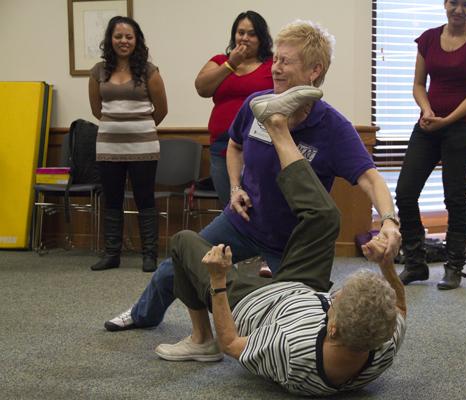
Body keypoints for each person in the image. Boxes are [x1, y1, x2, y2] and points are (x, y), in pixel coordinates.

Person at [104, 20, 400, 332]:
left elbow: (370, 178)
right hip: (243, 220)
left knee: (296, 321)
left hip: (291, 242)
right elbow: (233, 146)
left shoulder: (333, 128)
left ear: (314, 70)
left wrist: (389, 221)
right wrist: (234, 188)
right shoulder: (256, 104)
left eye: (286, 62)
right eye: (276, 60)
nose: (275, 68)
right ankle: (142, 314)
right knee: (177, 264)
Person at [154, 92, 407, 396]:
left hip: (256, 306)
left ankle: (200, 340)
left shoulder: (290, 349)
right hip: (301, 289)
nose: (334, 292)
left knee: (183, 241)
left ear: (333, 328)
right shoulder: (382, 342)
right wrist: (387, 265)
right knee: (326, 216)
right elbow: (400, 305)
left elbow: (233, 344)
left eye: (336, 299)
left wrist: (218, 280)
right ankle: (278, 126)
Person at [395, 0, 466, 290]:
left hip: (461, 130)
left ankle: (454, 267)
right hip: (427, 127)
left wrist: (448, 119)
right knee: (405, 192)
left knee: (453, 198)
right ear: (445, 3)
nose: (459, 10)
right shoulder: (428, 38)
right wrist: (427, 111)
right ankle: (415, 264)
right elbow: (418, 84)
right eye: (454, 2)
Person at [88, 16, 168, 273]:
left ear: (137, 40)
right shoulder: (98, 71)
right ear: (110, 40)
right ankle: (112, 254)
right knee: (112, 199)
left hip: (143, 148)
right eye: (118, 36)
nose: (123, 41)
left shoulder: (148, 70)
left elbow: (162, 110)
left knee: (145, 199)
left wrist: (137, 127)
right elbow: (96, 109)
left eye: (129, 37)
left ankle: (149, 255)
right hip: (108, 147)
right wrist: (117, 126)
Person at [194, 10, 273, 207]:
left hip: (260, 143)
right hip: (222, 145)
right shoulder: (221, 61)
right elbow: (202, 88)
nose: (245, 38)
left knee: (259, 205)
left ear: (261, 38)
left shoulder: (271, 64)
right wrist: (231, 64)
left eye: (252, 34)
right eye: (240, 32)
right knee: (229, 205)